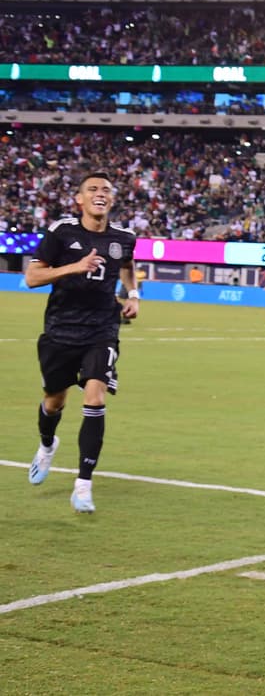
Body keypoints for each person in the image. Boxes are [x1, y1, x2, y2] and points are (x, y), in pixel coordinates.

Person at [25, 172, 139, 513]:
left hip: (102, 329)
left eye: (106, 189)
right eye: (92, 189)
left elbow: (127, 265)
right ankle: (47, 445)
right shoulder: (62, 232)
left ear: (113, 199)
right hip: (60, 330)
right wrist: (75, 266)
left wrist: (132, 294)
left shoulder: (125, 237)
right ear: (80, 200)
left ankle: (83, 484)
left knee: (95, 393)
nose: (99, 193)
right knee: (54, 401)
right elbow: (32, 276)